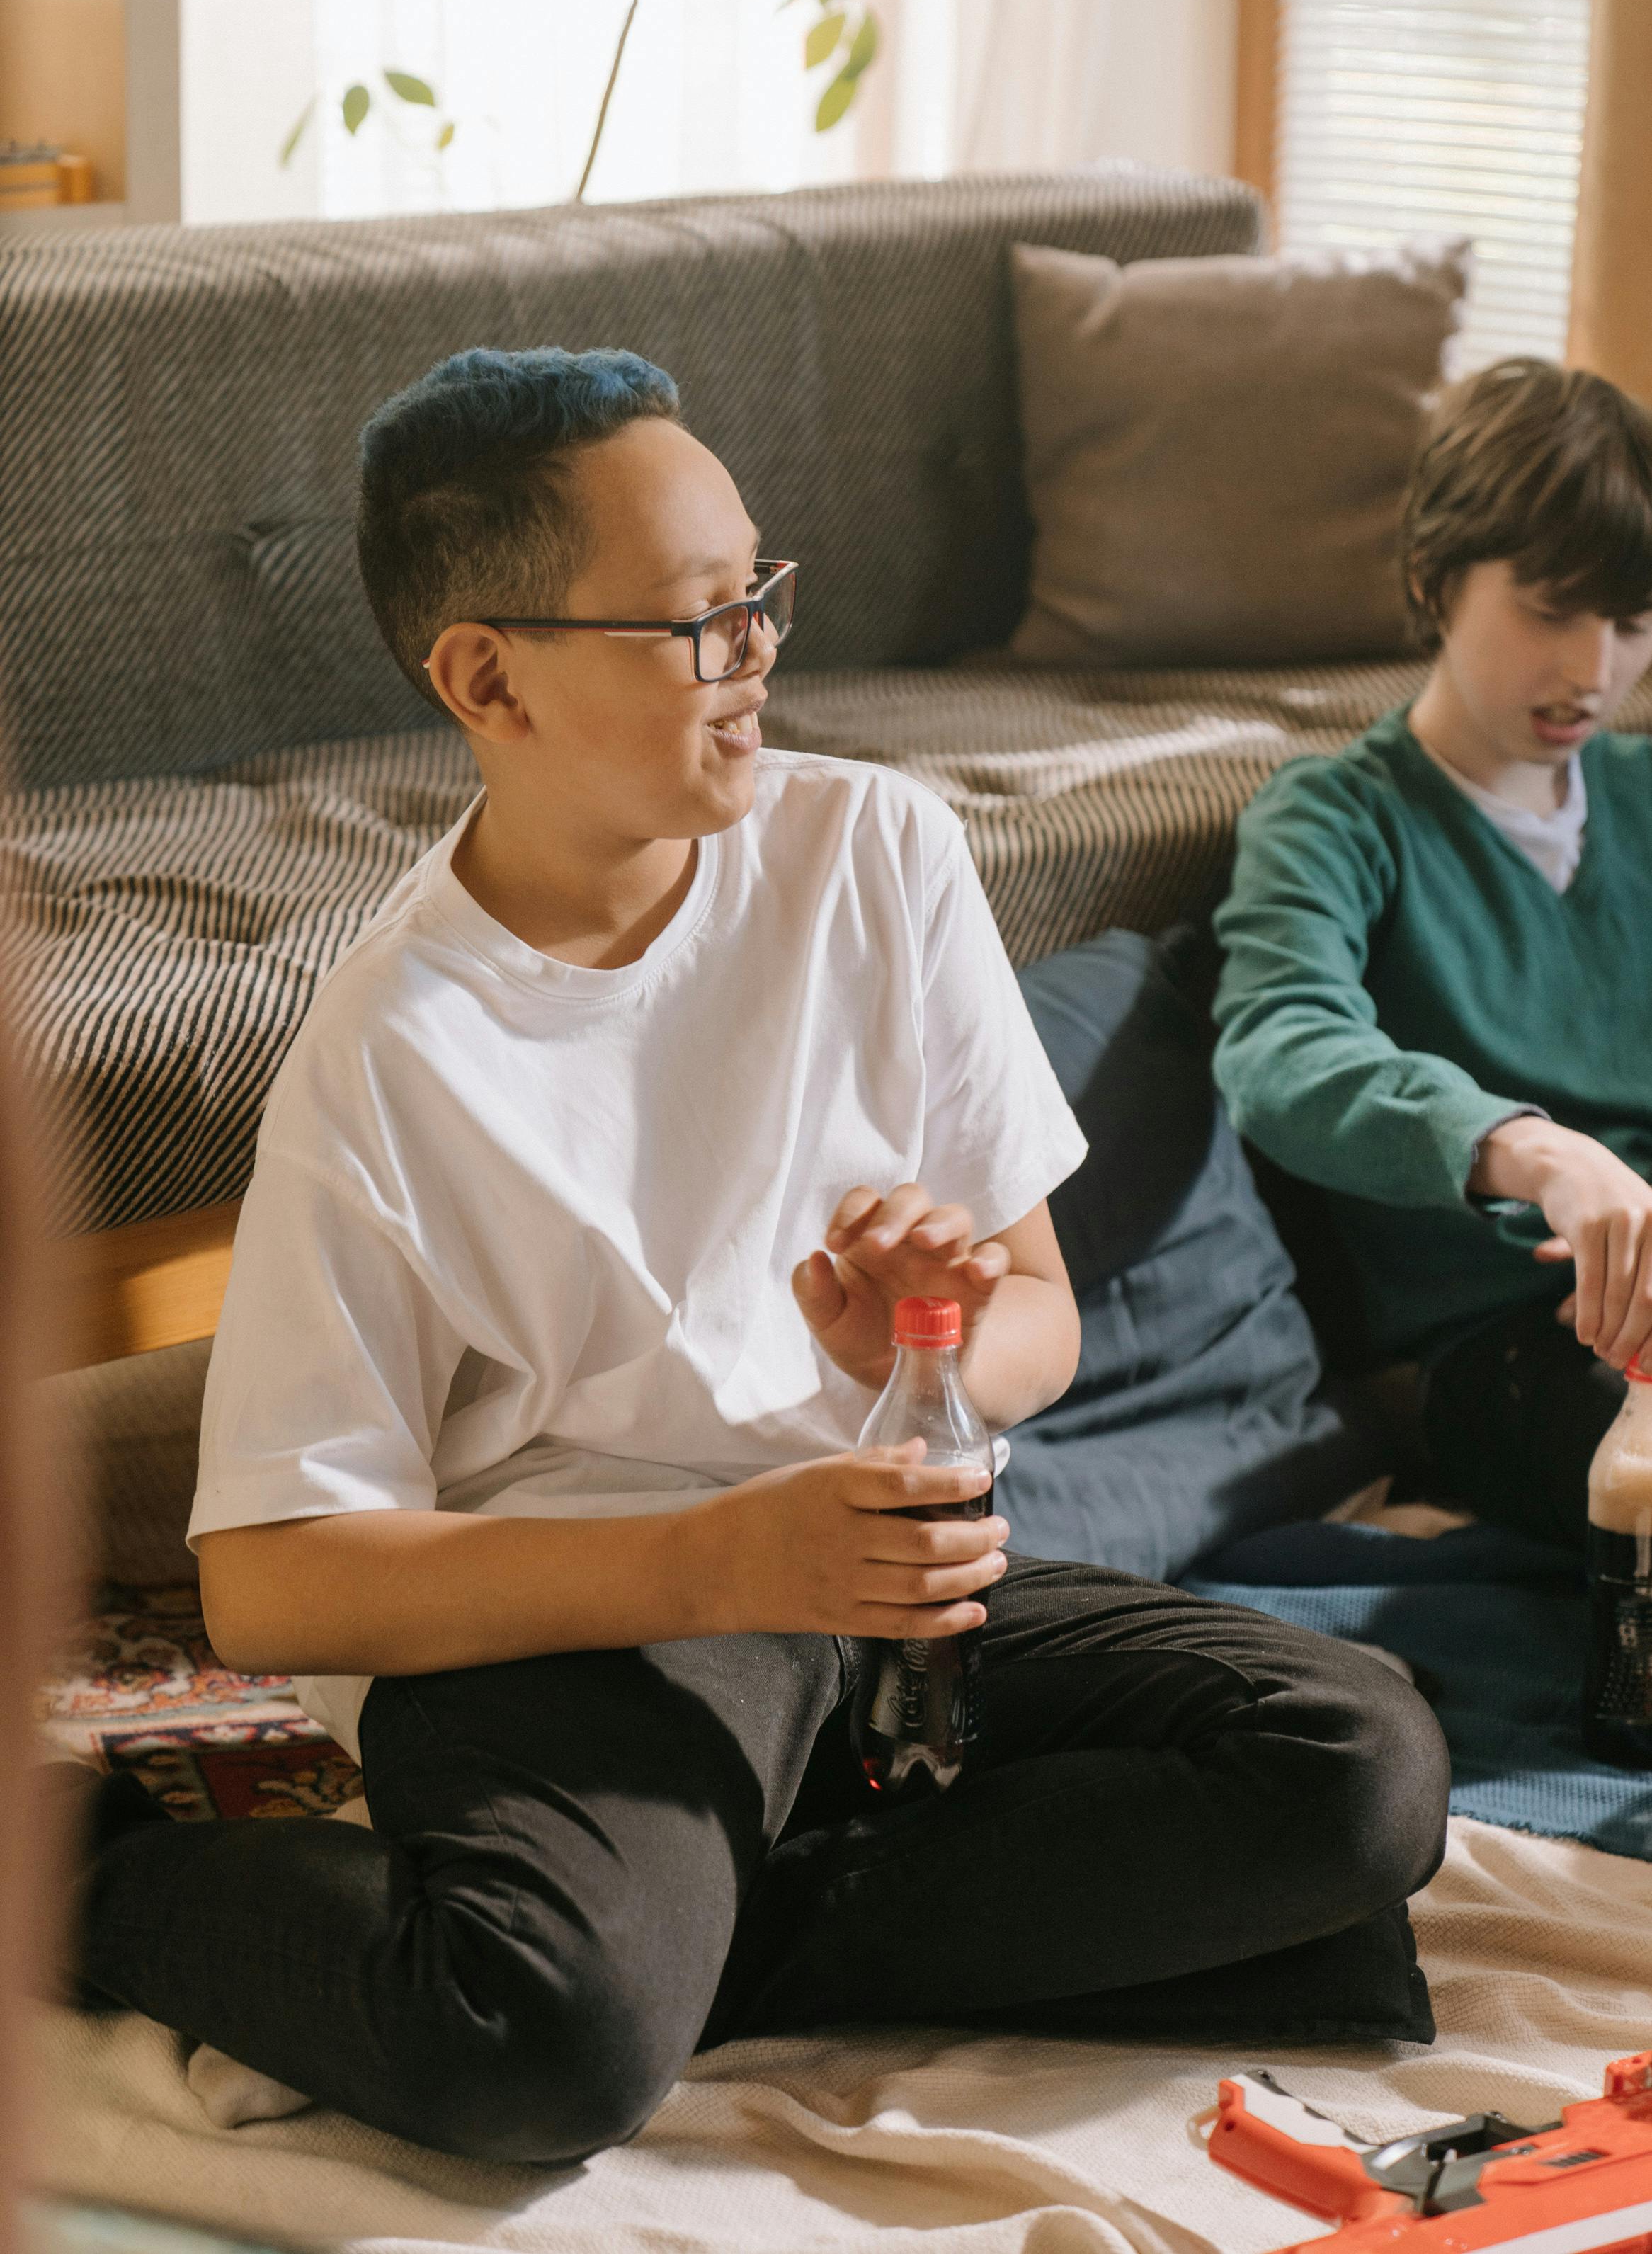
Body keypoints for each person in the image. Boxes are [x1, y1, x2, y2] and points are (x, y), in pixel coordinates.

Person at [74, 347, 1448, 2163]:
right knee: (532, 2051)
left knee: (1358, 1774)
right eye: (696, 622)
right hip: (584, 1627)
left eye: (759, 596)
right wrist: (717, 1556)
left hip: (871, 1588)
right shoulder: (393, 1049)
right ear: (488, 675)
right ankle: (96, 1877)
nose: (759, 655)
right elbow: (271, 1583)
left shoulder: (874, 851)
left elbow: (1033, 1329)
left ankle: (694, 1924)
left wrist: (925, 1348)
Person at [1214, 357, 1652, 1552]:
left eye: (1629, 620)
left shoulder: (1643, 791)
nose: (1593, 671)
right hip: (1505, 1349)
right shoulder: (1338, 818)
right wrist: (1535, 1152)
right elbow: (1280, 1049)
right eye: (1551, 608)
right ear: (1434, 578)